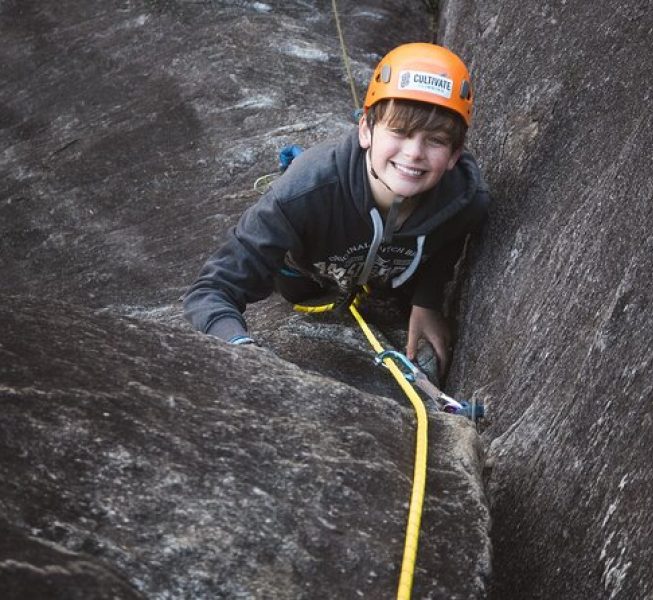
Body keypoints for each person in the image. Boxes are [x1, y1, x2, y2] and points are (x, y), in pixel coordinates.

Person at [183, 42, 490, 379]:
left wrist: (426, 301)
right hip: (304, 272)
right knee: (299, 288)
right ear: (365, 131)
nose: (414, 153)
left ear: (455, 153)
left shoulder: (464, 201)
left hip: (391, 276)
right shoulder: (304, 193)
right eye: (399, 132)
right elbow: (212, 290)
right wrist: (241, 349)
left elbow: (450, 240)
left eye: (436, 141)